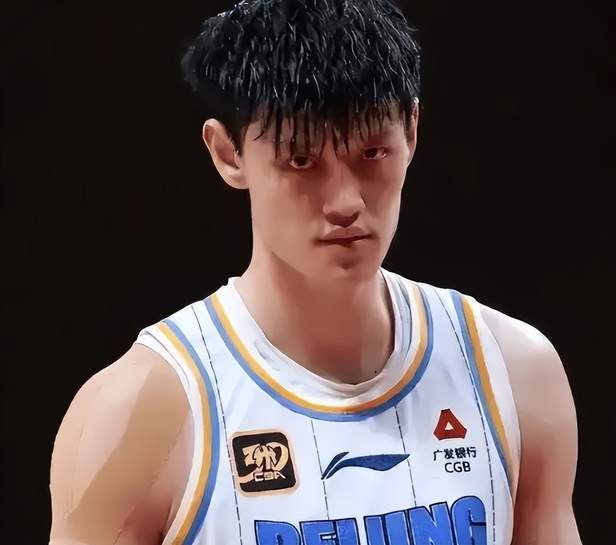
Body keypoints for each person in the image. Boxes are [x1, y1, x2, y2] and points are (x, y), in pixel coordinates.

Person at [49, 1, 582, 544]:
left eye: (372, 153)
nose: (346, 201)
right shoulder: (142, 414)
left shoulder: (514, 374)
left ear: (412, 131)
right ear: (228, 153)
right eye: (301, 161)